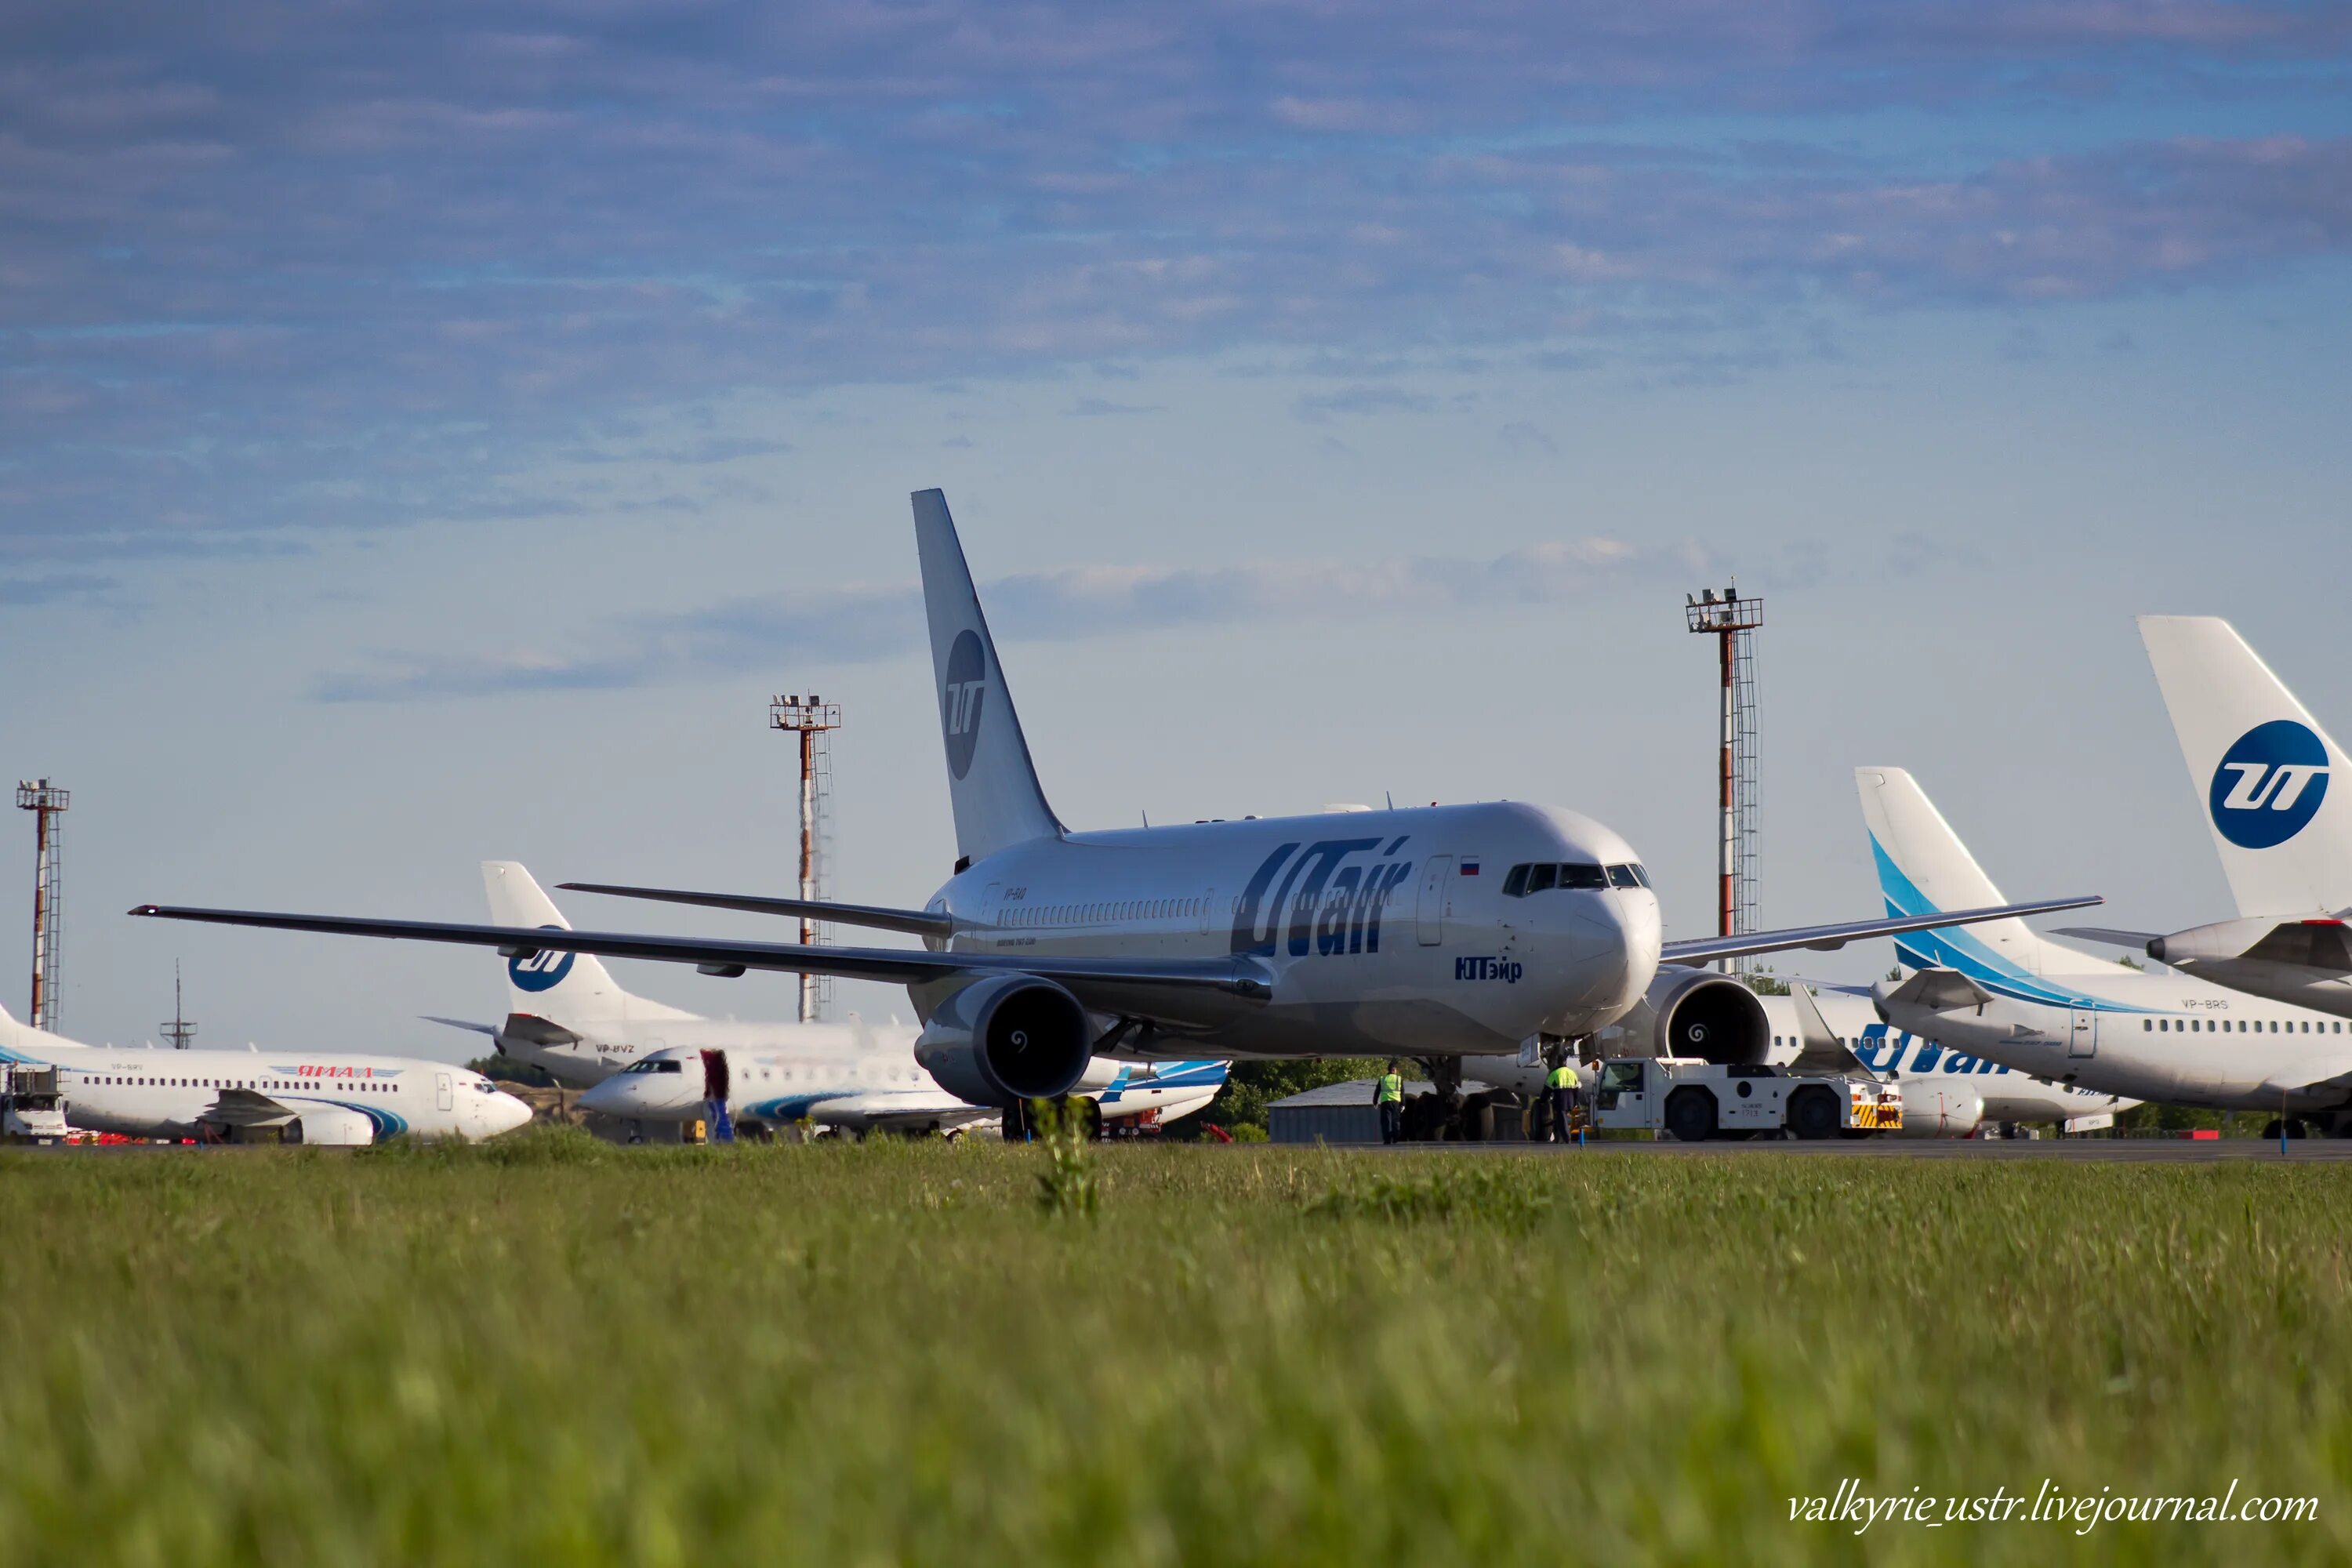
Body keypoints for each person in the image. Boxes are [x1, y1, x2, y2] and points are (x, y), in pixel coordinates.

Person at [1547, 1058, 1577, 1144]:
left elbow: (1547, 1088)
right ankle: (1559, 1138)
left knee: (1562, 1119)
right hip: (1570, 1100)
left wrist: (1543, 1099)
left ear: (1558, 1062)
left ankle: (1567, 1138)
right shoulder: (1572, 1073)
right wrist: (1575, 1101)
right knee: (1561, 1119)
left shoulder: (1555, 1073)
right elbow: (1576, 1088)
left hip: (1561, 1100)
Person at [1375, 1061, 1405, 1145]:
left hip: (1385, 1102)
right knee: (1395, 1121)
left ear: (1388, 1070)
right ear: (1394, 1070)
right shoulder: (1399, 1079)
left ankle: (1387, 1140)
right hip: (1396, 1103)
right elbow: (1402, 1092)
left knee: (1385, 1122)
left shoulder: (1383, 1079)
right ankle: (1395, 1138)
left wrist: (1375, 1102)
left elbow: (1377, 1091)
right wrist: (1403, 1104)